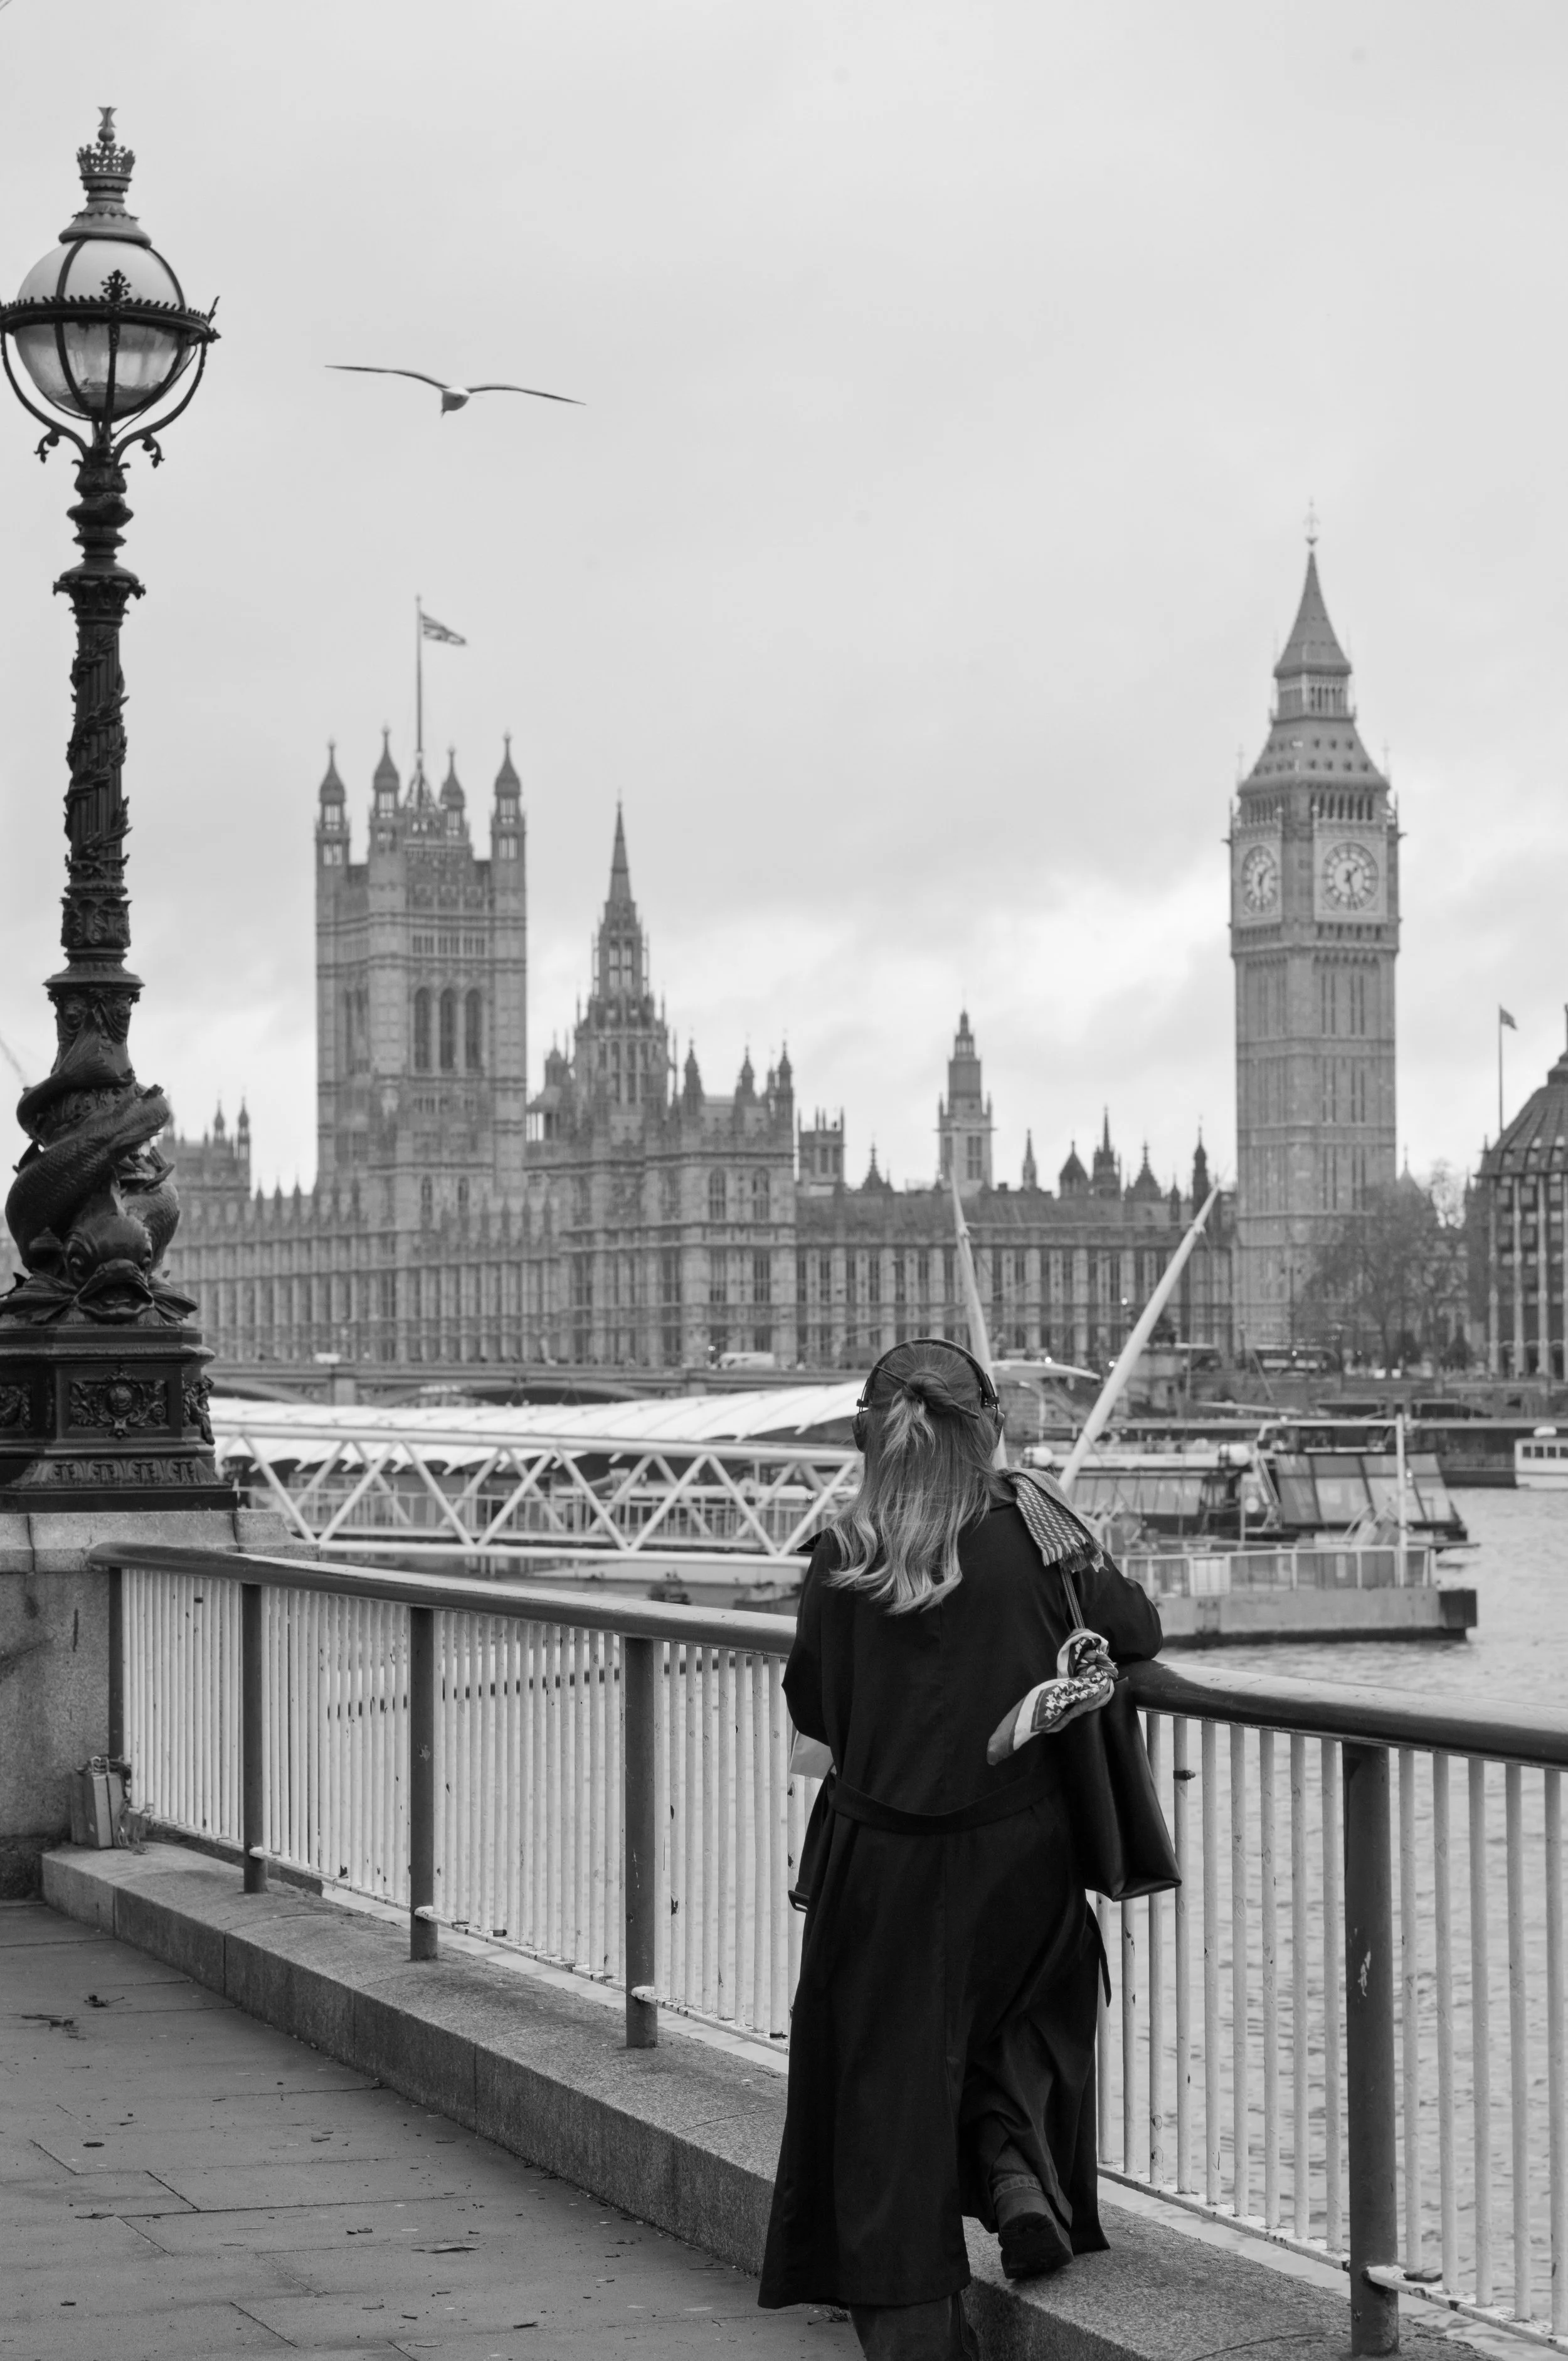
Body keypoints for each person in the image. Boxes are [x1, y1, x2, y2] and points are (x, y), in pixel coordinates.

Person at [758, 1337, 1163, 2361]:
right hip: (1015, 1858)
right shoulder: (1033, 1538)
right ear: (988, 1432)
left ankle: (918, 2336)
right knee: (1033, 2003)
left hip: (878, 1864)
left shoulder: (842, 1556)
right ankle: (1010, 2161)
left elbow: (816, 1707)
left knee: (883, 2088)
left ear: (870, 1438)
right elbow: (1137, 1628)